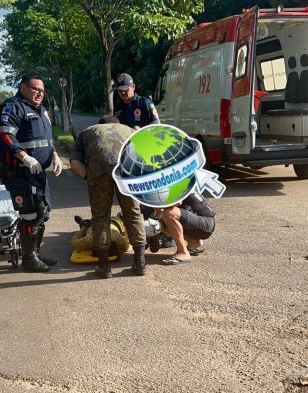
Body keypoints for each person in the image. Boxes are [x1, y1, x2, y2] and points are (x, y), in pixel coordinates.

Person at [0, 75, 63, 273]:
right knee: (30, 215)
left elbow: (46, 139)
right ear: (23, 87)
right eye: (36, 89)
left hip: (38, 173)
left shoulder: (41, 110)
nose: (40, 94)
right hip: (19, 173)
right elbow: (6, 135)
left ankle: (36, 252)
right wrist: (24, 157)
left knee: (43, 213)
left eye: (42, 91)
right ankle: (28, 259)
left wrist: (55, 155)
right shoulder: (12, 107)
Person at [69, 114, 147, 278]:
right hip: (128, 172)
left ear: (100, 124)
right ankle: (140, 263)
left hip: (99, 171)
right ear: (118, 124)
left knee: (100, 217)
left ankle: (104, 267)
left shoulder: (87, 132)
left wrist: (89, 177)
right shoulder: (130, 130)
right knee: (133, 213)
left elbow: (75, 163)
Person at [113, 72, 175, 249]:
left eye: (126, 89)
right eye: (120, 91)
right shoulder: (118, 108)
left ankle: (166, 234)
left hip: (150, 156)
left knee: (157, 195)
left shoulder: (145, 104)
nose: (123, 93)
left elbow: (158, 128)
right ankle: (145, 233)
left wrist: (141, 131)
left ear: (133, 87)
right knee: (137, 196)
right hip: (131, 159)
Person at [154, 191, 215, 265]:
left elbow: (178, 202)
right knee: (160, 222)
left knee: (169, 213)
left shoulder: (177, 183)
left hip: (206, 223)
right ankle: (193, 241)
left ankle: (183, 252)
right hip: (199, 222)